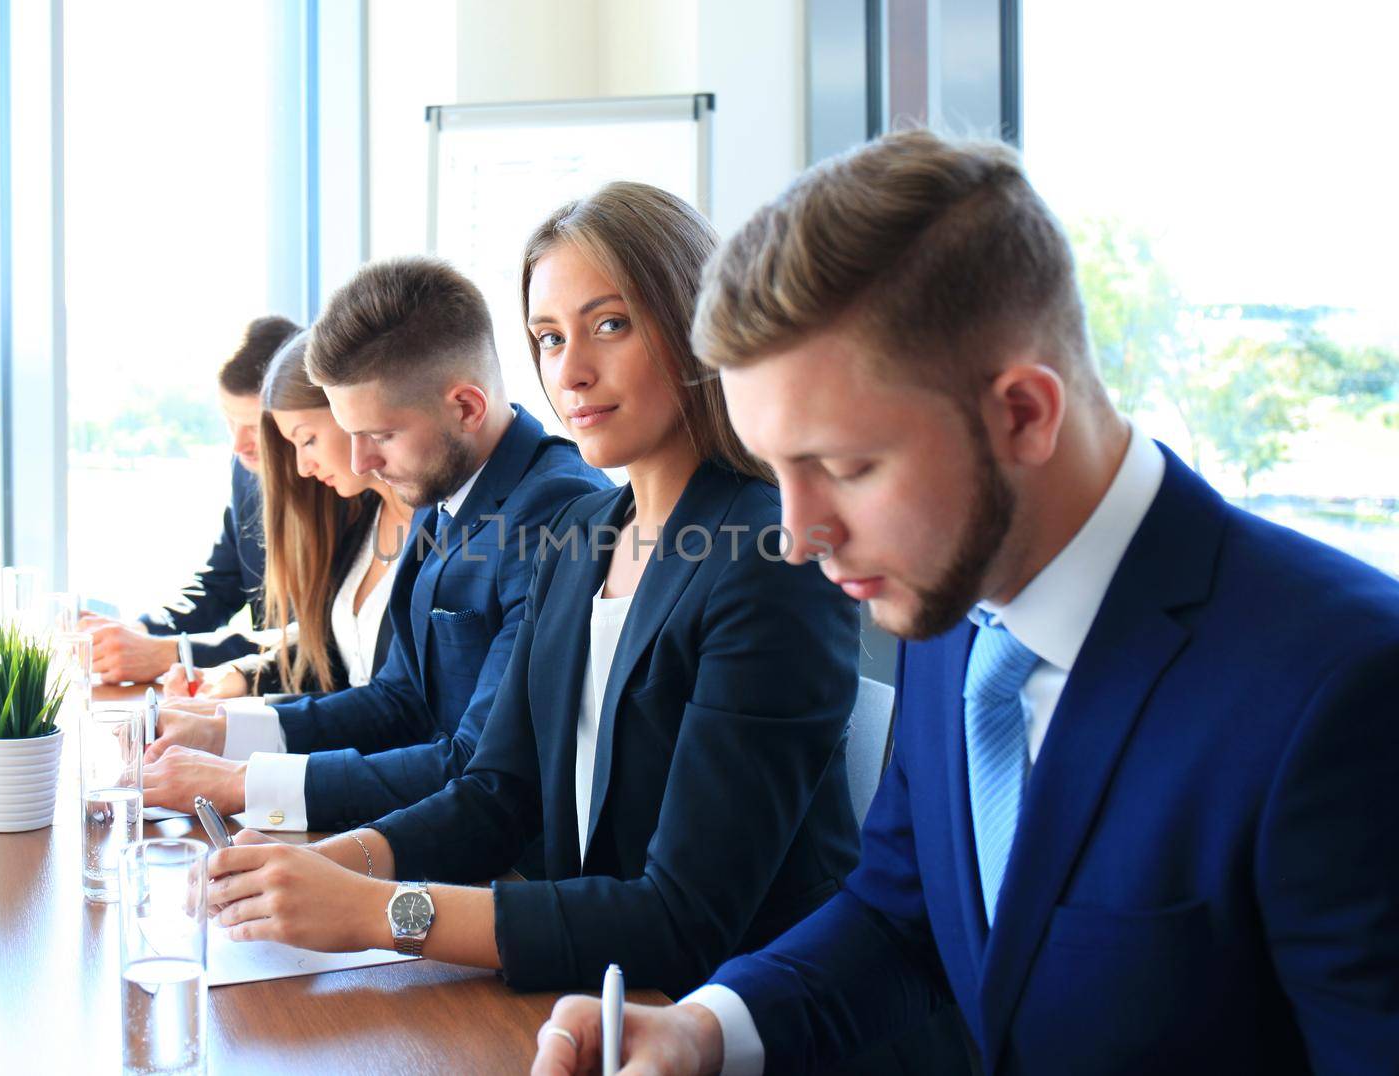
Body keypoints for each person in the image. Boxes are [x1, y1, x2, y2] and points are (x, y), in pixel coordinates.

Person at [532, 131, 1399, 1074]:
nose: (796, 532)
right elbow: (903, 912)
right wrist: (708, 1028)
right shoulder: (955, 603)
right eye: (779, 469)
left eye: (845, 467)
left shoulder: (1343, 690)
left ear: (1023, 413)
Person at [200, 182, 862, 998]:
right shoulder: (582, 537)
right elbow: (495, 795)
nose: (571, 372)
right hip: (596, 999)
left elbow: (681, 919)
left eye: (609, 325)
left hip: (731, 1017)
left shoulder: (765, 553)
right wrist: (323, 866)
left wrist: (381, 912)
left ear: (698, 324)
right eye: (548, 338)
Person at [143, 257, 608, 831]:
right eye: (353, 435)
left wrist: (243, 783)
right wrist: (224, 731)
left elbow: (477, 764)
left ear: (466, 408)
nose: (362, 463)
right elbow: (398, 699)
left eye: (379, 435)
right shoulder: (441, 490)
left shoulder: (556, 512)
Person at [160, 329, 412, 700]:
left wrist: (244, 727)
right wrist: (240, 677)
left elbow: (397, 706)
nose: (301, 467)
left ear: (351, 414)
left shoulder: (424, 521)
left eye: (307, 440)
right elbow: (328, 646)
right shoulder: (369, 515)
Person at [81, 315, 300, 683]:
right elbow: (219, 585)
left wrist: (172, 653)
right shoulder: (246, 469)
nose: (238, 444)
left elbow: (322, 641)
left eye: (256, 427)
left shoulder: (346, 487)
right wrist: (141, 631)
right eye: (229, 421)